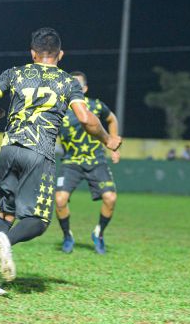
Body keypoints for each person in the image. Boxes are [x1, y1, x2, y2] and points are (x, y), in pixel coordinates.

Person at [0, 27, 121, 295]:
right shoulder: (67, 81)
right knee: (39, 221)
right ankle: (6, 241)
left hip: (9, 148)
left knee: (5, 214)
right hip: (38, 152)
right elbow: (87, 118)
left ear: (32, 53)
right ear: (60, 54)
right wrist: (107, 140)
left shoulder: (16, 72)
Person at [55, 71, 121, 255]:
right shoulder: (57, 110)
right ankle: (67, 235)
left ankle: (98, 234)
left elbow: (112, 119)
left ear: (84, 89)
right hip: (71, 162)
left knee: (111, 198)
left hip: (96, 161)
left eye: (77, 85)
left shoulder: (96, 105)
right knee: (59, 200)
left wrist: (113, 143)